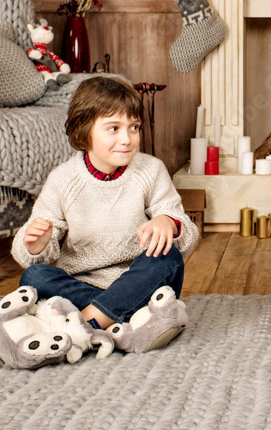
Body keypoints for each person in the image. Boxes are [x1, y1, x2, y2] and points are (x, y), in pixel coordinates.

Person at [11, 76, 199, 353]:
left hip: (140, 281)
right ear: (84, 130)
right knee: (35, 277)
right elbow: (29, 250)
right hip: (84, 284)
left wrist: (168, 222)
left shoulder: (150, 170)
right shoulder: (62, 180)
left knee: (167, 257)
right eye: (113, 128)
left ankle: (84, 326)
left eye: (134, 127)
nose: (127, 138)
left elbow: (188, 233)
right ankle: (123, 322)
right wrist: (36, 245)